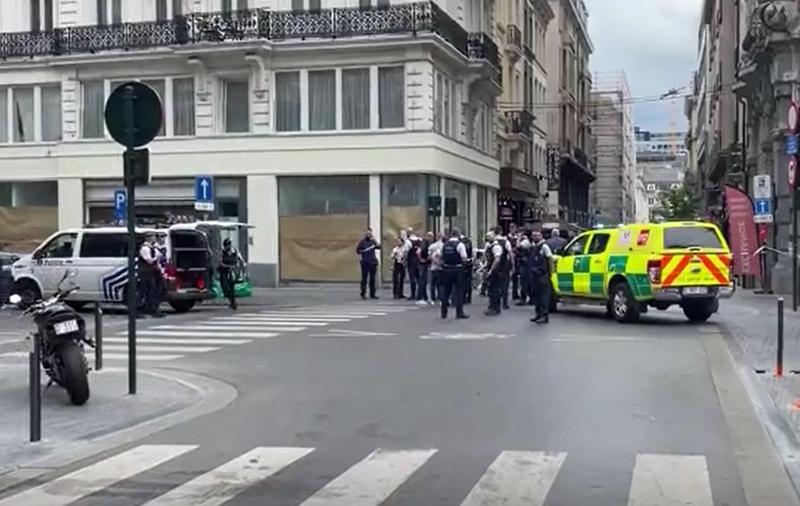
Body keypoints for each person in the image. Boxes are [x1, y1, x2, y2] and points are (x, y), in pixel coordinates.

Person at [440, 229, 470, 320]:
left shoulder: (445, 245)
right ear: (458, 235)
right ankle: (459, 312)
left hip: (446, 268)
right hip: (457, 268)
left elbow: (440, 256)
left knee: (446, 291)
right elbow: (464, 257)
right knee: (459, 291)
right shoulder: (460, 245)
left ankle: (443, 312)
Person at [529, 230, 554, 324]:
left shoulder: (544, 246)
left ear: (541, 236)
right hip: (534, 274)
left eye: (537, 235)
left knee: (543, 296)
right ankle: (538, 314)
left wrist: (551, 272)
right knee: (536, 295)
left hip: (542, 275)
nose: (535, 237)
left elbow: (550, 258)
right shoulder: (534, 246)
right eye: (533, 235)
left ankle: (544, 315)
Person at [485, 227, 510, 316]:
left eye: (489, 237)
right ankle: (492, 306)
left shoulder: (496, 247)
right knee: (492, 289)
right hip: (493, 269)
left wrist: (491, 270)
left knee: (495, 289)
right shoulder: (490, 246)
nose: (487, 238)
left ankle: (495, 308)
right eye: (487, 237)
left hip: (497, 271)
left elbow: (497, 259)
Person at [138, 233, 163, 318]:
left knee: (152, 291)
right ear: (149, 238)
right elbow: (149, 260)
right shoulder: (145, 248)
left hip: (152, 273)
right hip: (145, 273)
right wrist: (156, 258)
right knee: (143, 291)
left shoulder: (153, 248)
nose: (155, 239)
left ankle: (152, 309)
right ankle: (139, 311)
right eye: (153, 237)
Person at [219, 237, 246, 310]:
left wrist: (241, 270)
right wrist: (227, 266)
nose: (227, 247)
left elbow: (241, 260)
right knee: (224, 287)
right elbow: (220, 262)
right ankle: (231, 299)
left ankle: (233, 302)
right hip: (224, 271)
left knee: (231, 287)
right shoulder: (222, 252)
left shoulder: (235, 251)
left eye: (228, 245)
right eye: (225, 246)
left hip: (232, 271)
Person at [356, 228, 381, 300]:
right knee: (364, 279)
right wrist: (362, 251)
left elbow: (379, 247)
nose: (368, 235)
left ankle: (372, 294)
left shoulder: (373, 242)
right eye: (367, 233)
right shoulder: (362, 242)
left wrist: (374, 239)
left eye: (370, 233)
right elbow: (358, 251)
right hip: (365, 263)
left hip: (372, 262)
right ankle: (363, 293)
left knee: (372, 279)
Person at [416, 232, 433, 305]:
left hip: (423, 263)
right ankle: (421, 296)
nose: (432, 238)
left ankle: (423, 296)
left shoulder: (425, 242)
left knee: (423, 280)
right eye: (431, 237)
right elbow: (418, 252)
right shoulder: (424, 243)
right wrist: (421, 259)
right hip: (423, 264)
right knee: (423, 280)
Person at [516, 238, 534, 306]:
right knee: (528, 285)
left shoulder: (526, 253)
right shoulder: (531, 251)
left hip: (526, 269)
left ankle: (524, 299)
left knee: (524, 284)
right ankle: (531, 299)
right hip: (528, 269)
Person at [428, 233, 444, 305]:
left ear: (437, 237)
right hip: (441, 267)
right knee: (440, 284)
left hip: (433, 267)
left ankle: (433, 299)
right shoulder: (444, 246)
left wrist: (433, 260)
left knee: (433, 284)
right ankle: (441, 298)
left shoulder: (432, 246)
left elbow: (429, 256)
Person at [460, 232, 474, 305]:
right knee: (468, 281)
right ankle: (468, 297)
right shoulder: (468, 241)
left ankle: (463, 297)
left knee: (463, 281)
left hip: (463, 263)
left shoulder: (461, 242)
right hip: (469, 263)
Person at [406, 229, 420, 301]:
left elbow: (406, 251)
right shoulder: (419, 240)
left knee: (412, 278)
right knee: (419, 278)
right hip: (418, 261)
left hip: (411, 260)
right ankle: (420, 293)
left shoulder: (408, 241)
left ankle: (413, 294)